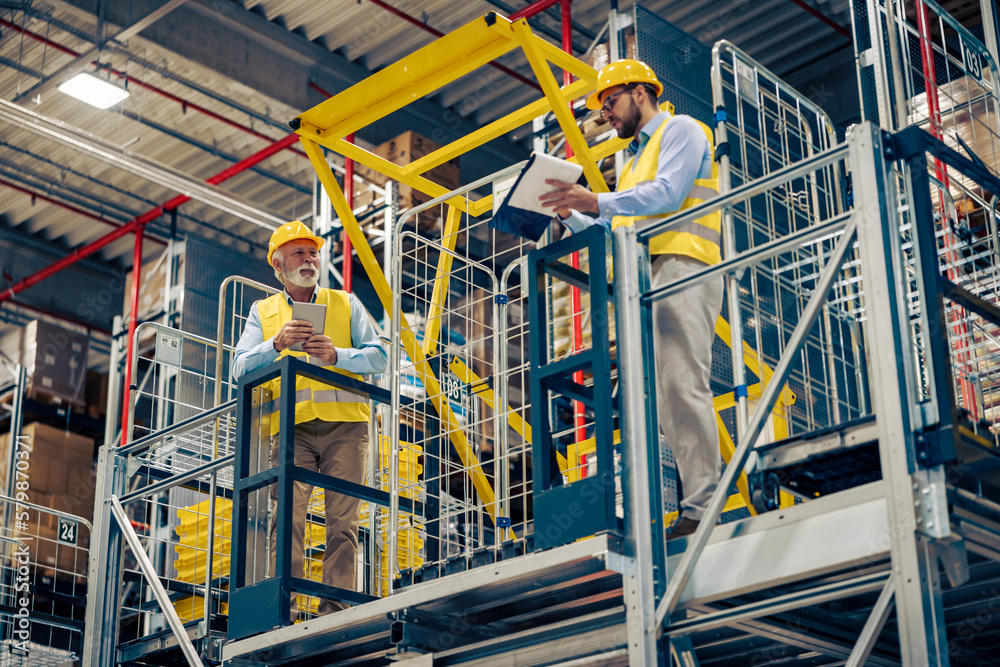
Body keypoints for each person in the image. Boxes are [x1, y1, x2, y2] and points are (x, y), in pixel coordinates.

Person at [539, 60, 722, 540]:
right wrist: (572, 214)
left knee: (684, 387)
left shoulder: (682, 130)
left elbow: (667, 195)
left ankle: (704, 508)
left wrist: (595, 201)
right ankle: (692, 504)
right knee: (663, 401)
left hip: (684, 267)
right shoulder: (636, 159)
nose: (607, 115)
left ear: (641, 93)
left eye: (611, 102)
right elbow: (619, 221)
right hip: (647, 281)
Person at [232, 220, 387, 614]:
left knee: (343, 522)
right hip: (291, 429)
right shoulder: (262, 312)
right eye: (299, 253)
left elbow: (381, 357)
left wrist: (338, 356)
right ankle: (283, 607)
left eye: (313, 252)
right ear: (278, 266)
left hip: (347, 428)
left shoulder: (345, 303)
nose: (309, 259)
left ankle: (333, 608)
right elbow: (239, 369)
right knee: (286, 520)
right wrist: (275, 344)